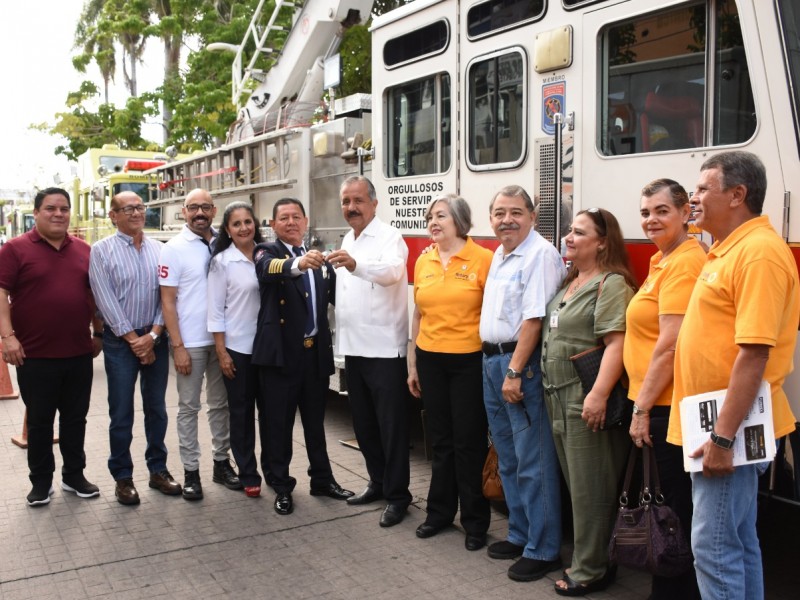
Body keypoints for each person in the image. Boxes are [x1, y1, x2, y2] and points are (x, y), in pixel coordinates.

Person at [667, 151, 800, 600]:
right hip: (718, 422)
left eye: (704, 188)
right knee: (738, 541)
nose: (694, 197)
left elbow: (754, 353)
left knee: (714, 545)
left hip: (728, 428)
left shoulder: (758, 254)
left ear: (738, 195)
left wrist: (723, 438)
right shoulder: (730, 248)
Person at [541, 207, 637, 596]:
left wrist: (596, 396)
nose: (569, 236)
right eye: (569, 230)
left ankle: (592, 569)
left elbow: (618, 344)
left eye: (579, 232)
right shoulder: (572, 282)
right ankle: (594, 557)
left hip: (585, 400)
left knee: (591, 489)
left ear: (602, 242)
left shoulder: (610, 284)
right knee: (576, 487)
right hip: (557, 398)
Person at [623, 180, 704, 599]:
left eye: (661, 211)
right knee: (669, 509)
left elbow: (669, 344)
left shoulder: (685, 262)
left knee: (673, 514)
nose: (651, 219)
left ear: (686, 212)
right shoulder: (663, 260)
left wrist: (642, 409)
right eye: (645, 212)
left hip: (667, 406)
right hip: (657, 402)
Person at [480, 185, 566, 582]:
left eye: (515, 212)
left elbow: (535, 320)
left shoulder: (540, 254)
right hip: (492, 361)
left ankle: (544, 548)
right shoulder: (500, 253)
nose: (506, 220)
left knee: (534, 461)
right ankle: (519, 533)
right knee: (509, 457)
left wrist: (514, 371)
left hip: (520, 367)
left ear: (533, 215)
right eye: (499, 213)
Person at [0, 187, 103, 506]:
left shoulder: (85, 250)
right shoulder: (15, 249)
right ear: (36, 213)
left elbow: (94, 295)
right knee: (41, 422)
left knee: (76, 419)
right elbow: (1, 294)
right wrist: (7, 337)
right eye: (50, 208)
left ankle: (74, 475)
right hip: (34, 355)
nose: (58, 213)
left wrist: (98, 332)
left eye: (64, 208)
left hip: (78, 354)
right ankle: (41, 482)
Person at [253, 198, 353, 516]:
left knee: (314, 423)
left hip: (313, 355)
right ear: (273, 224)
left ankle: (322, 479)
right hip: (281, 356)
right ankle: (281, 486)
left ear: (306, 222)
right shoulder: (267, 252)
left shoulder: (320, 260)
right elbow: (266, 270)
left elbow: (340, 299)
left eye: (297, 217)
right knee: (278, 425)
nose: (291, 222)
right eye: (284, 217)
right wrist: (297, 265)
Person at [407, 194, 494, 550]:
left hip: (468, 361)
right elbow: (418, 314)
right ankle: (439, 514)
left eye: (440, 215)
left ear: (459, 220)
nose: (433, 221)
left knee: (468, 443)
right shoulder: (424, 260)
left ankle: (475, 523)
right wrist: (412, 362)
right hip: (430, 359)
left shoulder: (484, 259)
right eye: (430, 216)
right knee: (440, 442)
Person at [327, 176, 412, 528]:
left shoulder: (391, 237)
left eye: (358, 200)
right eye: (346, 201)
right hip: (354, 349)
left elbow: (393, 273)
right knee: (364, 425)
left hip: (384, 349)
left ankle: (398, 496)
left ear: (374, 203)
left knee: (391, 428)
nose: (351, 208)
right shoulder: (349, 237)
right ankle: (377, 482)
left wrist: (355, 265)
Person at [90, 191, 182, 506]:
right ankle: (122, 476)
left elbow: (167, 297)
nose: (136, 213)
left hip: (155, 337)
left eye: (140, 207)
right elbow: (105, 300)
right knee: (121, 412)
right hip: (120, 342)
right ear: (113, 215)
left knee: (157, 409)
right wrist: (134, 340)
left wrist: (154, 336)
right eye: (128, 208)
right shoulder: (100, 251)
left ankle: (158, 470)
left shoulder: (161, 249)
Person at [159, 189, 241, 500]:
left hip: (222, 341)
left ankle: (221, 465)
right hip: (190, 343)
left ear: (214, 210)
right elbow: (167, 302)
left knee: (221, 406)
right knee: (189, 408)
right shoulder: (174, 249)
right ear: (183, 212)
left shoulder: (224, 242)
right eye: (193, 207)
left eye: (205, 207)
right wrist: (177, 345)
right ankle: (190, 472)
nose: (199, 213)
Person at [207, 201, 267, 498]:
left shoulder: (268, 253)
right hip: (238, 349)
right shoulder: (222, 262)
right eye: (236, 224)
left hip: (269, 348)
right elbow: (216, 311)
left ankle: (276, 472)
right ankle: (248, 472)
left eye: (247, 221)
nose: (244, 228)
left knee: (270, 414)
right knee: (241, 414)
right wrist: (222, 352)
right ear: (228, 231)